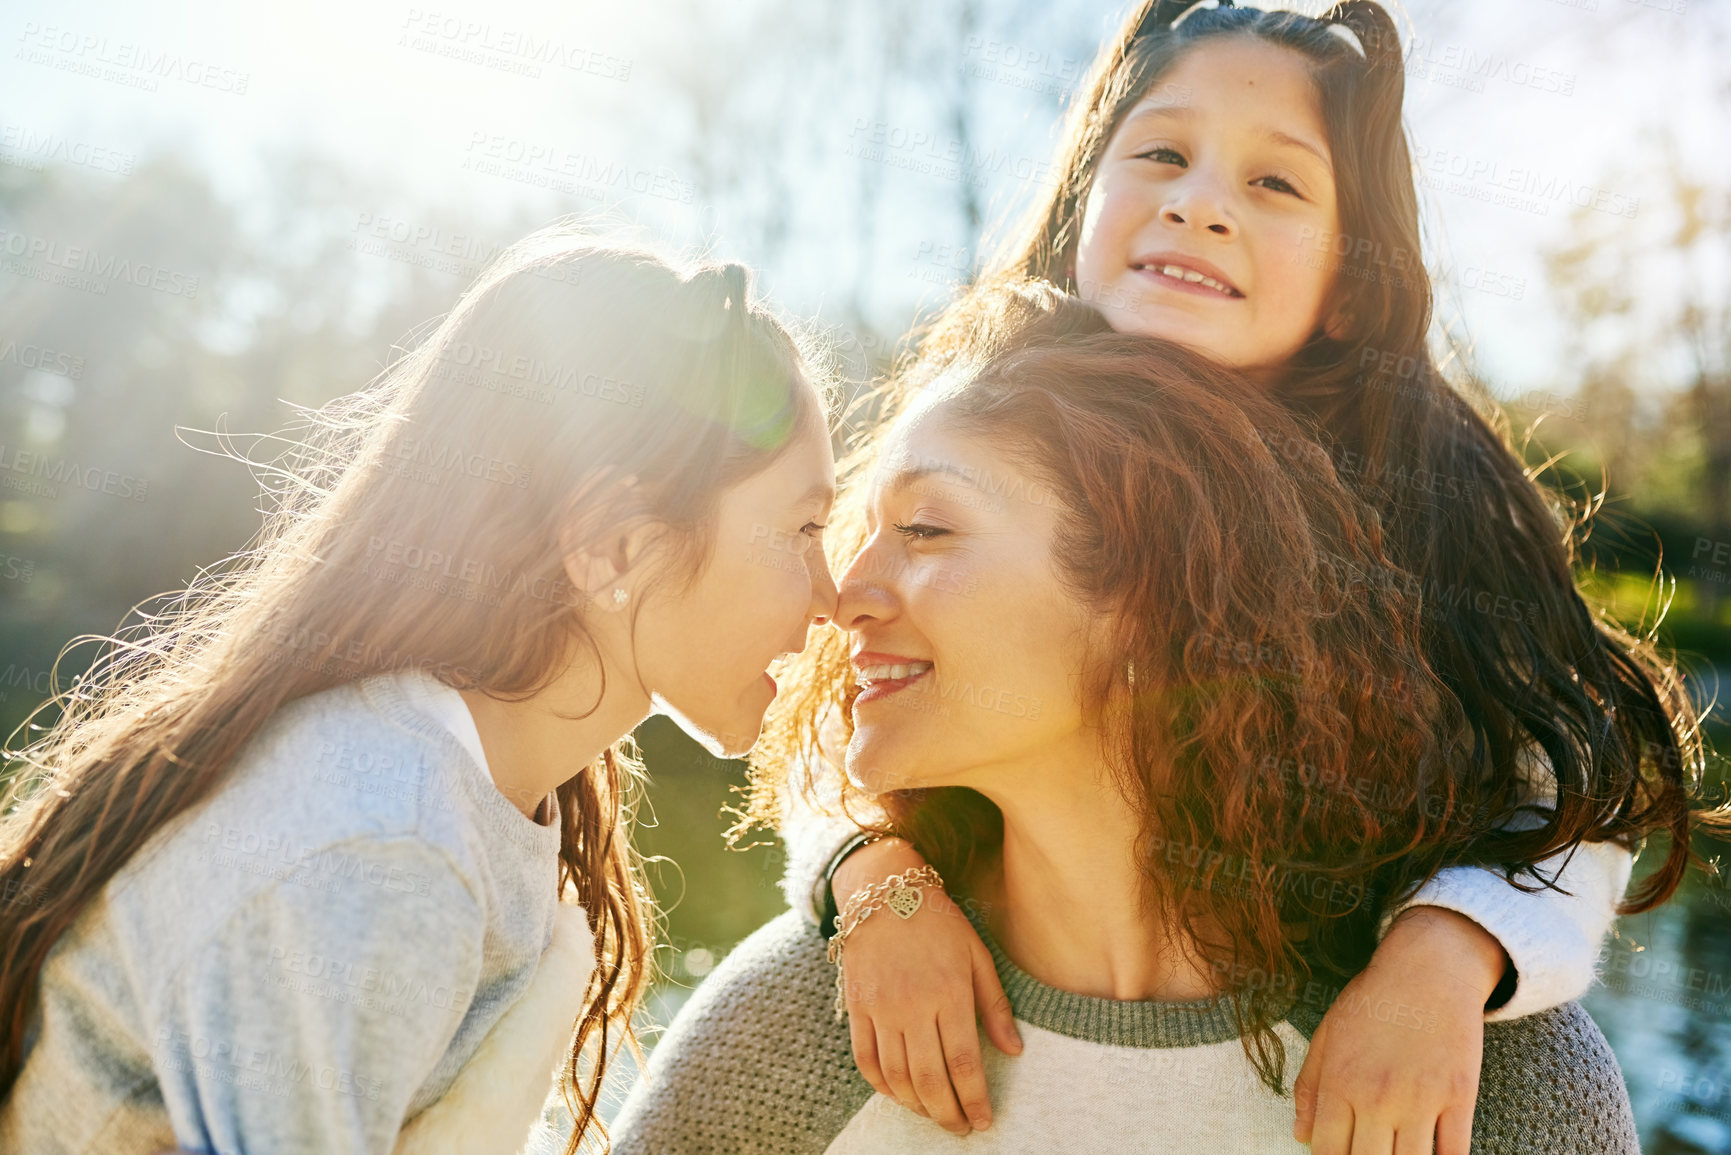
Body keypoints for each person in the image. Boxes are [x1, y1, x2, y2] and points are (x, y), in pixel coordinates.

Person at [761, 3, 1703, 1150]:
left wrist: (1446, 951)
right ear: (1079, 211)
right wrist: (875, 884)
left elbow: (1567, 778)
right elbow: (846, 705)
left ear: (1353, 283)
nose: (1199, 201)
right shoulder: (979, 418)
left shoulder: (1425, 492)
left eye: (1278, 185)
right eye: (1160, 152)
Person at [610, 283, 1639, 1154]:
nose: (845, 594)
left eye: (926, 526)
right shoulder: (811, 1020)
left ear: (1151, 602)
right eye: (861, 530)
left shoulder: (1484, 1068)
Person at [0, 230, 840, 1155]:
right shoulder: (384, 843)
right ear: (615, 545)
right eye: (801, 527)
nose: (834, 596)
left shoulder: (476, 794)